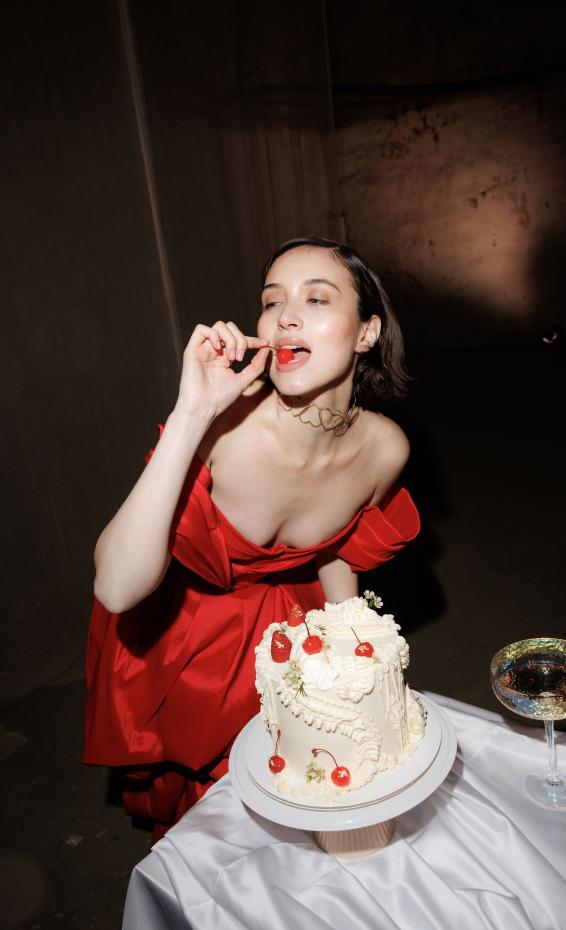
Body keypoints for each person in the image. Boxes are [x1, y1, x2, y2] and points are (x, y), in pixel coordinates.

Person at [83, 236, 421, 839]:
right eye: (272, 301)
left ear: (367, 332)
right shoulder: (224, 430)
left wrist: (350, 668)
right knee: (222, 828)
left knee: (316, 788)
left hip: (290, 624)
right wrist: (193, 412)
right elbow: (114, 588)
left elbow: (340, 551)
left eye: (316, 298)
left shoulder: (385, 447)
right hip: (180, 638)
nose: (284, 315)